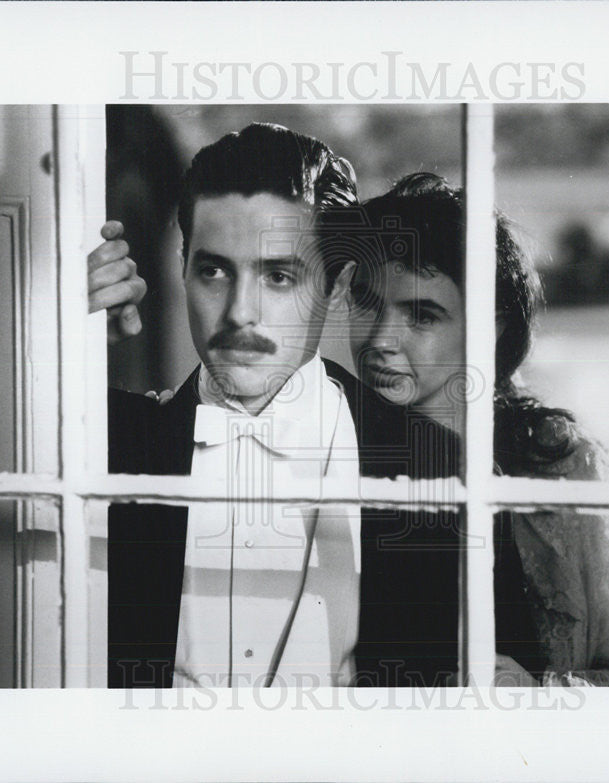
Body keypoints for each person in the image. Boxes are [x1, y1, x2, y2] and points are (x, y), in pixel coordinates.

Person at [91, 124, 462, 690]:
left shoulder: (433, 464)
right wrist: (57, 336)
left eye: (279, 276)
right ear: (182, 266)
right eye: (214, 270)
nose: (241, 312)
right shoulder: (106, 438)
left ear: (338, 287)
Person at [348, 173, 609, 685]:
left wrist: (537, 695)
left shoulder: (560, 469)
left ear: (493, 327)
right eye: (368, 303)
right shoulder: (328, 441)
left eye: (422, 315)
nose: (380, 339)